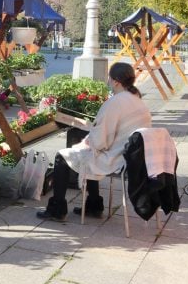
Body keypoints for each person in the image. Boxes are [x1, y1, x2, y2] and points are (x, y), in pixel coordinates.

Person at [36, 62, 152, 221]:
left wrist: (88, 139)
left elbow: (99, 141)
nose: (108, 82)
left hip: (117, 158)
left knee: (63, 156)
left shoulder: (116, 102)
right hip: (132, 158)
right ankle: (94, 205)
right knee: (88, 152)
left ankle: (57, 209)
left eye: (109, 79)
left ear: (116, 81)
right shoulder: (138, 101)